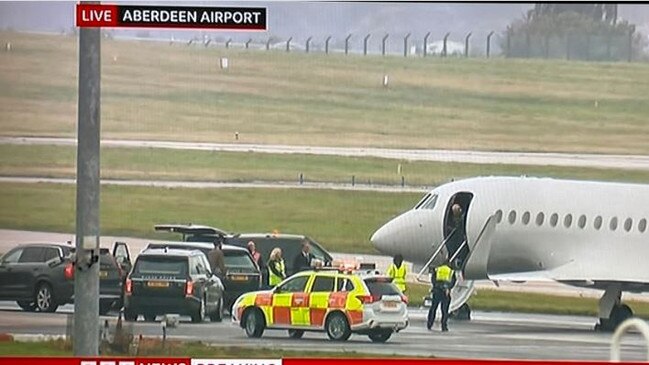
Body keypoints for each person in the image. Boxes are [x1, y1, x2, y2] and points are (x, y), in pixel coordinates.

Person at [427, 260, 456, 332]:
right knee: (444, 310)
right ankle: (444, 326)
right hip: (445, 292)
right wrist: (448, 288)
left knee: (433, 308)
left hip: (437, 290)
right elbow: (453, 281)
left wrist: (436, 286)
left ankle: (429, 324)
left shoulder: (438, 269)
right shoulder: (451, 271)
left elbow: (433, 279)